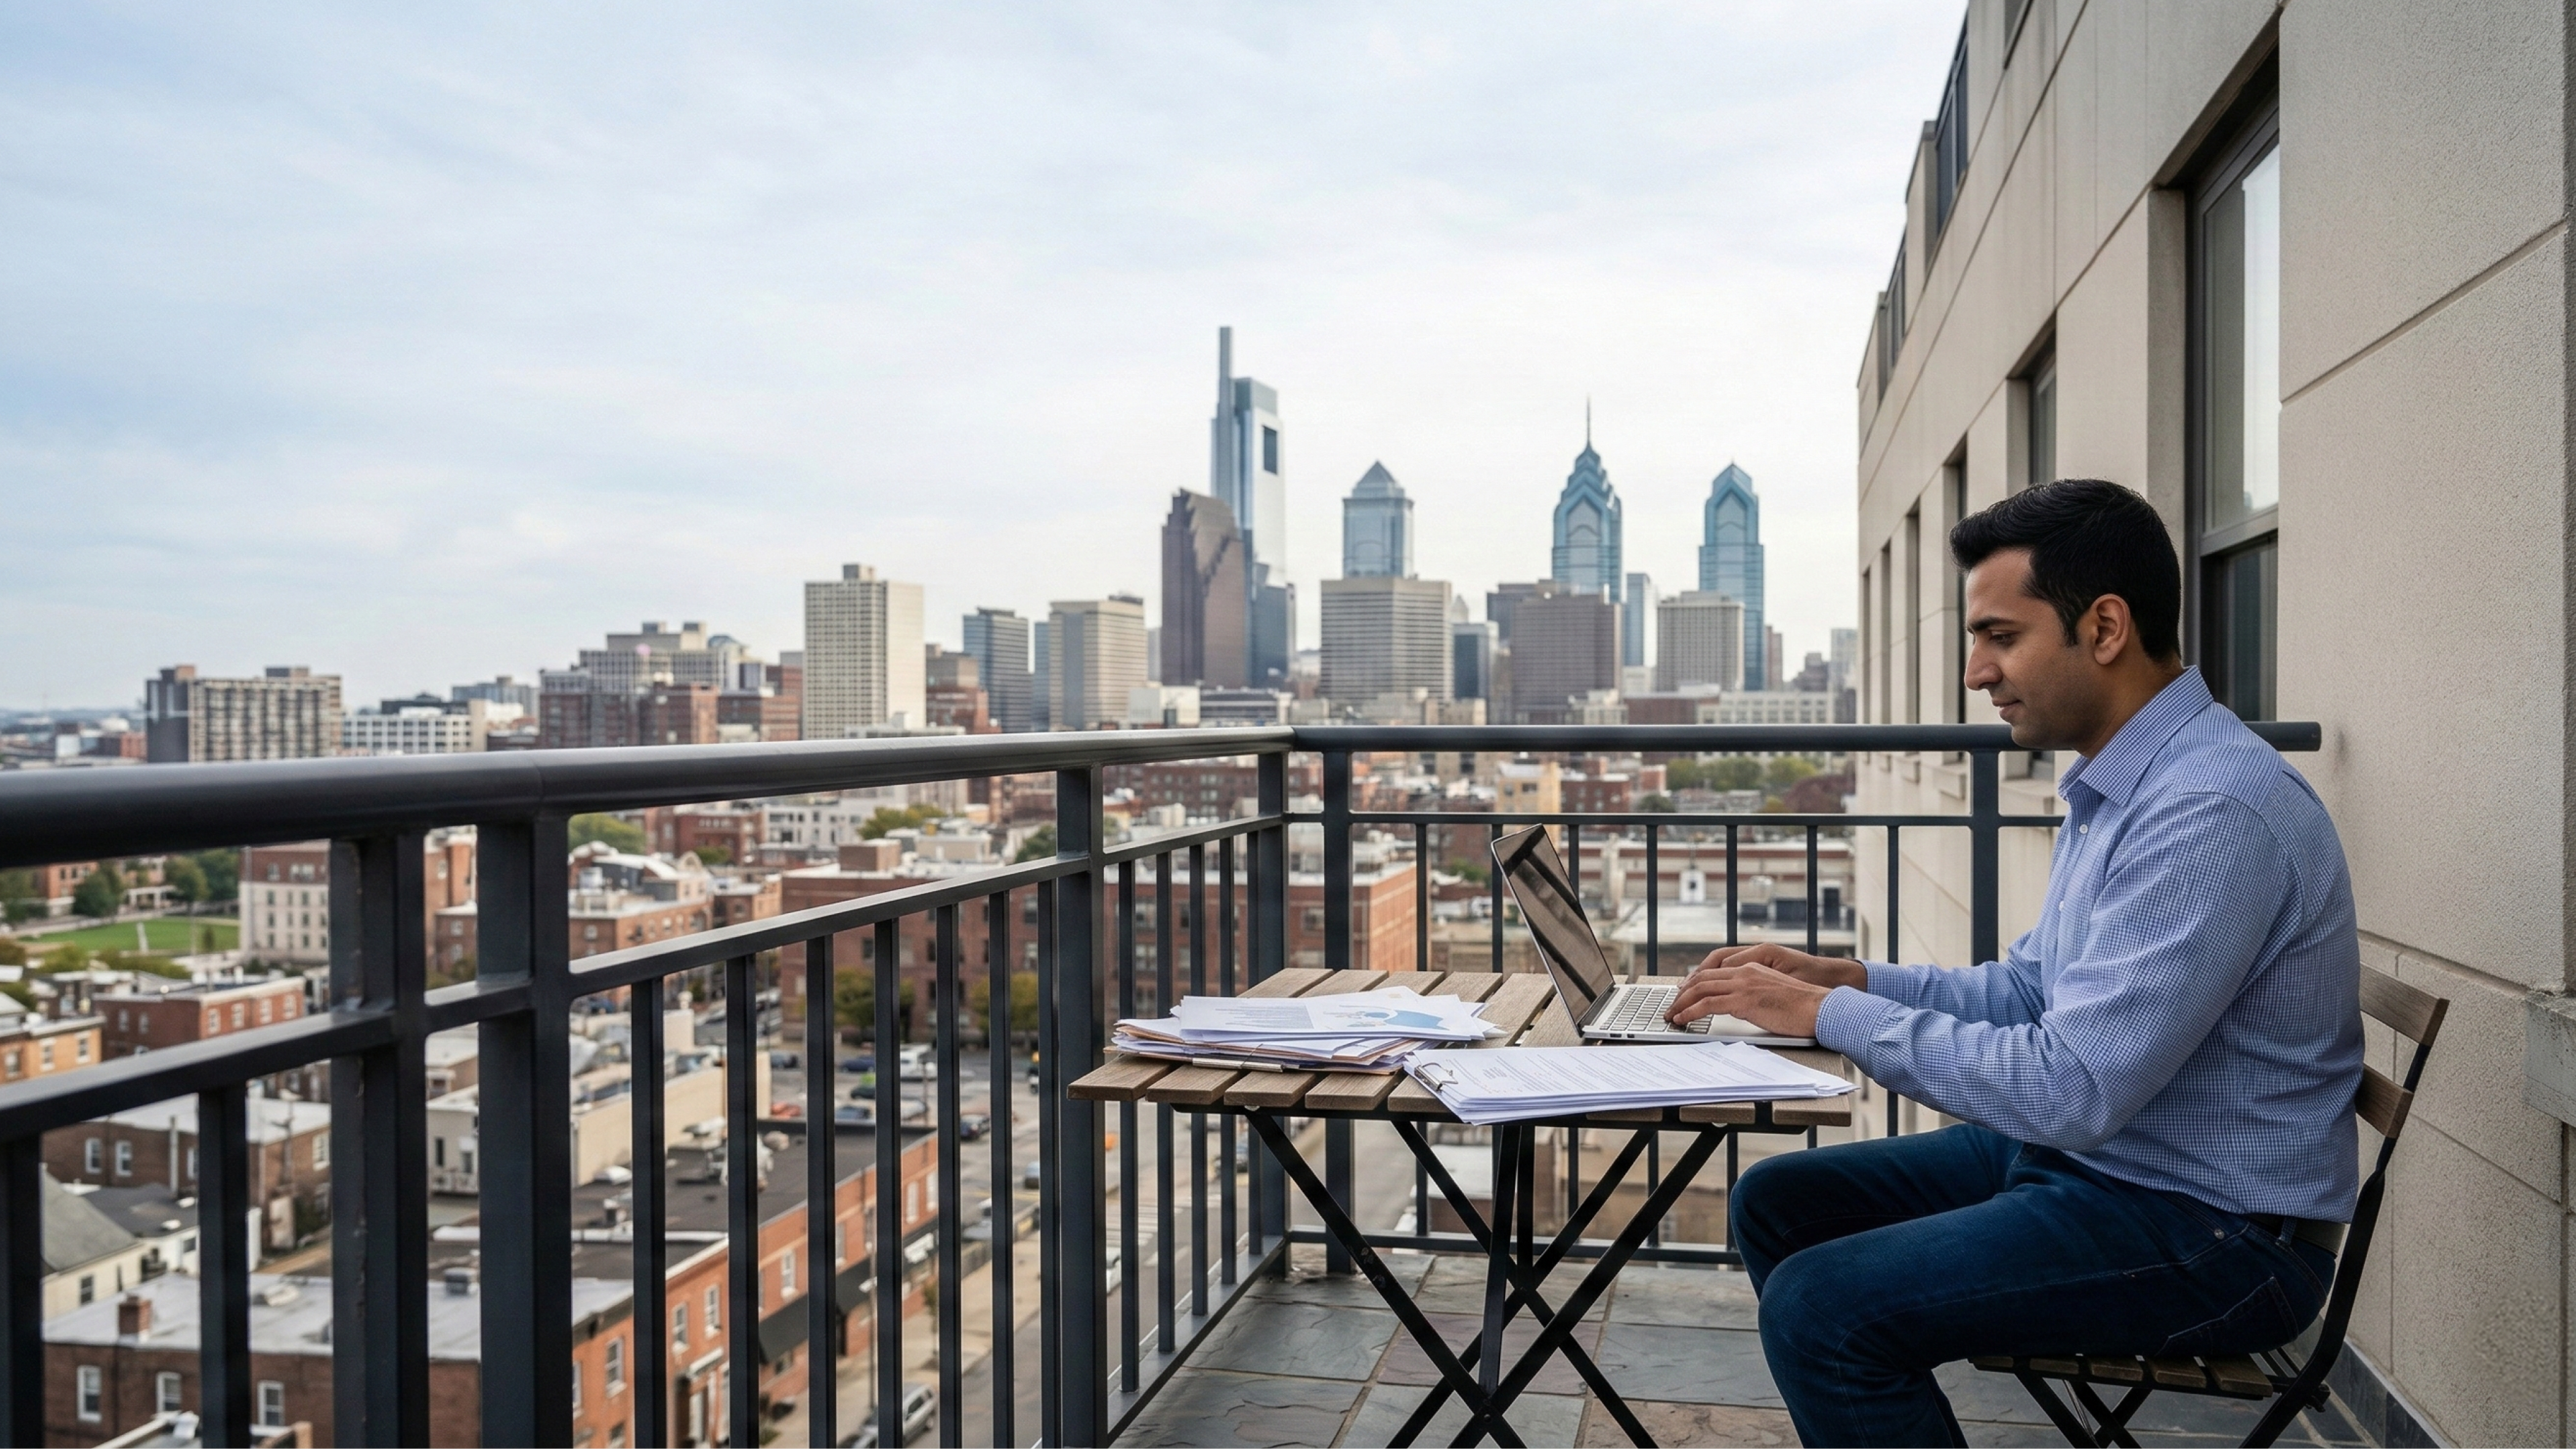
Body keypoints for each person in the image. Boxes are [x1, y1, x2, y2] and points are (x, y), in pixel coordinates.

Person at [1668, 478, 2359, 1448]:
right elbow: (2032, 991)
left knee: (1822, 1308)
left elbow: (2072, 1088)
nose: (1975, 672)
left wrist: (1825, 1018)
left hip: (2216, 1231)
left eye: (2000, 636)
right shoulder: (2125, 782)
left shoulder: (2210, 810)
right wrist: (1847, 981)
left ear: (2105, 628)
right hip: (2114, 1163)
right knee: (1779, 1201)